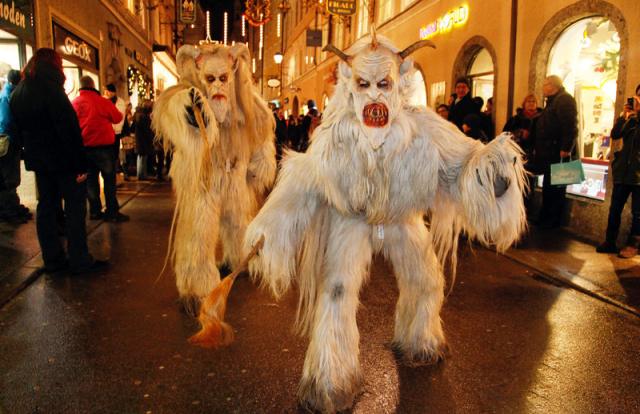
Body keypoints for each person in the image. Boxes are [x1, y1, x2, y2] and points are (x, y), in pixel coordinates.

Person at [9, 48, 108, 273]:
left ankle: (52, 259)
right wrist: (80, 165)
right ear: (54, 64)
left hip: (40, 163)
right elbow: (69, 129)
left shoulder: (20, 91)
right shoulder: (52, 90)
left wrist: (28, 152)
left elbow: (15, 129)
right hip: (63, 161)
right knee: (74, 209)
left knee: (46, 208)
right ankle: (79, 259)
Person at [72, 76, 128, 222]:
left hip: (84, 148)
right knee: (109, 179)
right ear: (93, 85)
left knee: (91, 180)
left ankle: (95, 211)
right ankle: (111, 211)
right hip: (103, 147)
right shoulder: (103, 102)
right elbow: (117, 118)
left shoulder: (74, 103)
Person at [596, 88, 640, 258]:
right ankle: (610, 240)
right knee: (615, 209)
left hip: (638, 174)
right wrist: (624, 116)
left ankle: (633, 245)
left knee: (637, 212)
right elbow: (615, 134)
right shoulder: (631, 120)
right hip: (623, 172)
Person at [531, 74, 578, 228]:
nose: (543, 89)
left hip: (558, 153)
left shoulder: (564, 100)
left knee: (556, 188)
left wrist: (565, 148)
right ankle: (545, 217)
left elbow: (570, 126)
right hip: (550, 152)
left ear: (552, 86)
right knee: (549, 186)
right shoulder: (553, 102)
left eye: (545, 85)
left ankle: (552, 220)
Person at [503, 93, 543, 214]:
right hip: (518, 155)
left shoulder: (541, 118)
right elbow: (505, 135)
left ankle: (527, 210)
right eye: (529, 101)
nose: (531, 103)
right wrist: (520, 133)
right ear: (524, 104)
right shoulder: (515, 119)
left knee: (529, 184)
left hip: (533, 156)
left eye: (533, 101)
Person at [0, 69, 31, 223]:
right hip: (7, 143)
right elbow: (6, 122)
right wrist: (17, 140)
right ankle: (9, 212)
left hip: (9, 142)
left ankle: (13, 207)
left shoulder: (9, 94)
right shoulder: (7, 96)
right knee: (9, 178)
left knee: (10, 178)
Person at [104, 83, 127, 180]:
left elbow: (121, 117)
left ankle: (113, 177)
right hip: (106, 132)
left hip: (116, 132)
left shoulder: (120, 102)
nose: (106, 93)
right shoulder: (103, 101)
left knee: (114, 155)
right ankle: (110, 176)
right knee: (107, 156)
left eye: (107, 91)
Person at [133, 100, 154, 181]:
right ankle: (142, 175)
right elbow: (147, 129)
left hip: (139, 139)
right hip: (143, 140)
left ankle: (140, 174)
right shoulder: (144, 116)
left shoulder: (137, 114)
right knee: (143, 158)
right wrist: (151, 137)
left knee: (140, 157)